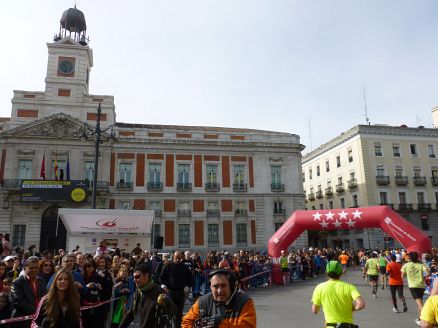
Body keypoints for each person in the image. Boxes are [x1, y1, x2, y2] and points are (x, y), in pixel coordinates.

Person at [182, 269, 257, 327]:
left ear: (231, 287)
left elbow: (248, 326)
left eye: (223, 285)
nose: (219, 291)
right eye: (215, 286)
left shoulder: (245, 302)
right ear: (210, 287)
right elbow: (186, 323)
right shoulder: (202, 302)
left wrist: (220, 324)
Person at [118, 263, 176, 328]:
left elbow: (173, 310)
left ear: (146, 276)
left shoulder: (159, 291)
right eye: (134, 277)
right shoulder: (139, 291)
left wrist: (167, 301)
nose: (134, 280)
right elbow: (130, 313)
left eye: (137, 277)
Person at [311, 260, 365, 327]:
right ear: (340, 273)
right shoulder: (349, 287)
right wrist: (352, 308)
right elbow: (361, 304)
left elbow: (314, 310)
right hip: (347, 326)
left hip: (330, 325)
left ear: (326, 272)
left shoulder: (319, 287)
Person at [10, 256, 47, 328]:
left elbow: (45, 298)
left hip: (38, 319)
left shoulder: (42, 281)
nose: (34, 270)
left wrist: (41, 312)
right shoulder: (17, 282)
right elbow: (18, 301)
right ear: (24, 268)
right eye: (31, 268)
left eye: (36, 268)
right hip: (22, 320)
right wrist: (36, 311)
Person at [159, 251, 192, 327]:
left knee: (179, 312)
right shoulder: (168, 265)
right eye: (176, 258)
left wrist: (187, 286)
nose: (177, 260)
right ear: (173, 257)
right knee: (169, 311)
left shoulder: (184, 267)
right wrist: (163, 285)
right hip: (170, 292)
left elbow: (190, 278)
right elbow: (161, 277)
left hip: (180, 293)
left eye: (179, 258)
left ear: (181, 258)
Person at [401, 252, 429, 326]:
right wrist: (423, 277)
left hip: (413, 286)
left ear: (409, 258)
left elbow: (402, 276)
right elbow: (428, 273)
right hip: (421, 286)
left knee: (420, 304)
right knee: (420, 303)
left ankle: (427, 319)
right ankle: (420, 319)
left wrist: (408, 274)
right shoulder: (421, 265)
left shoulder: (406, 265)